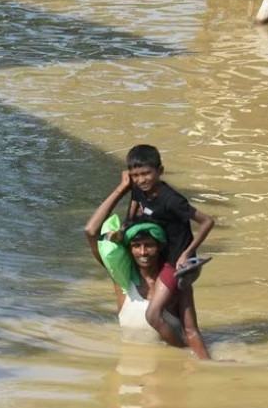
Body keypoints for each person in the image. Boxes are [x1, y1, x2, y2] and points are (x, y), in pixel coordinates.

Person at [84, 170, 210, 359]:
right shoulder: (123, 280)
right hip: (127, 380)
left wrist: (207, 365)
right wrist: (123, 188)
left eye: (149, 245)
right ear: (129, 250)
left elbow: (191, 333)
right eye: (136, 246)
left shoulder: (176, 284)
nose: (142, 252)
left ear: (160, 247)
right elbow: (91, 231)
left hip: (166, 375)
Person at [123, 145, 215, 286]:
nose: (141, 180)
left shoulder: (172, 201)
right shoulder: (139, 188)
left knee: (155, 308)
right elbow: (131, 215)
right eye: (135, 175)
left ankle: (190, 270)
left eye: (146, 173)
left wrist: (187, 254)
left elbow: (207, 222)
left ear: (160, 171)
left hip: (176, 258)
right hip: (158, 252)